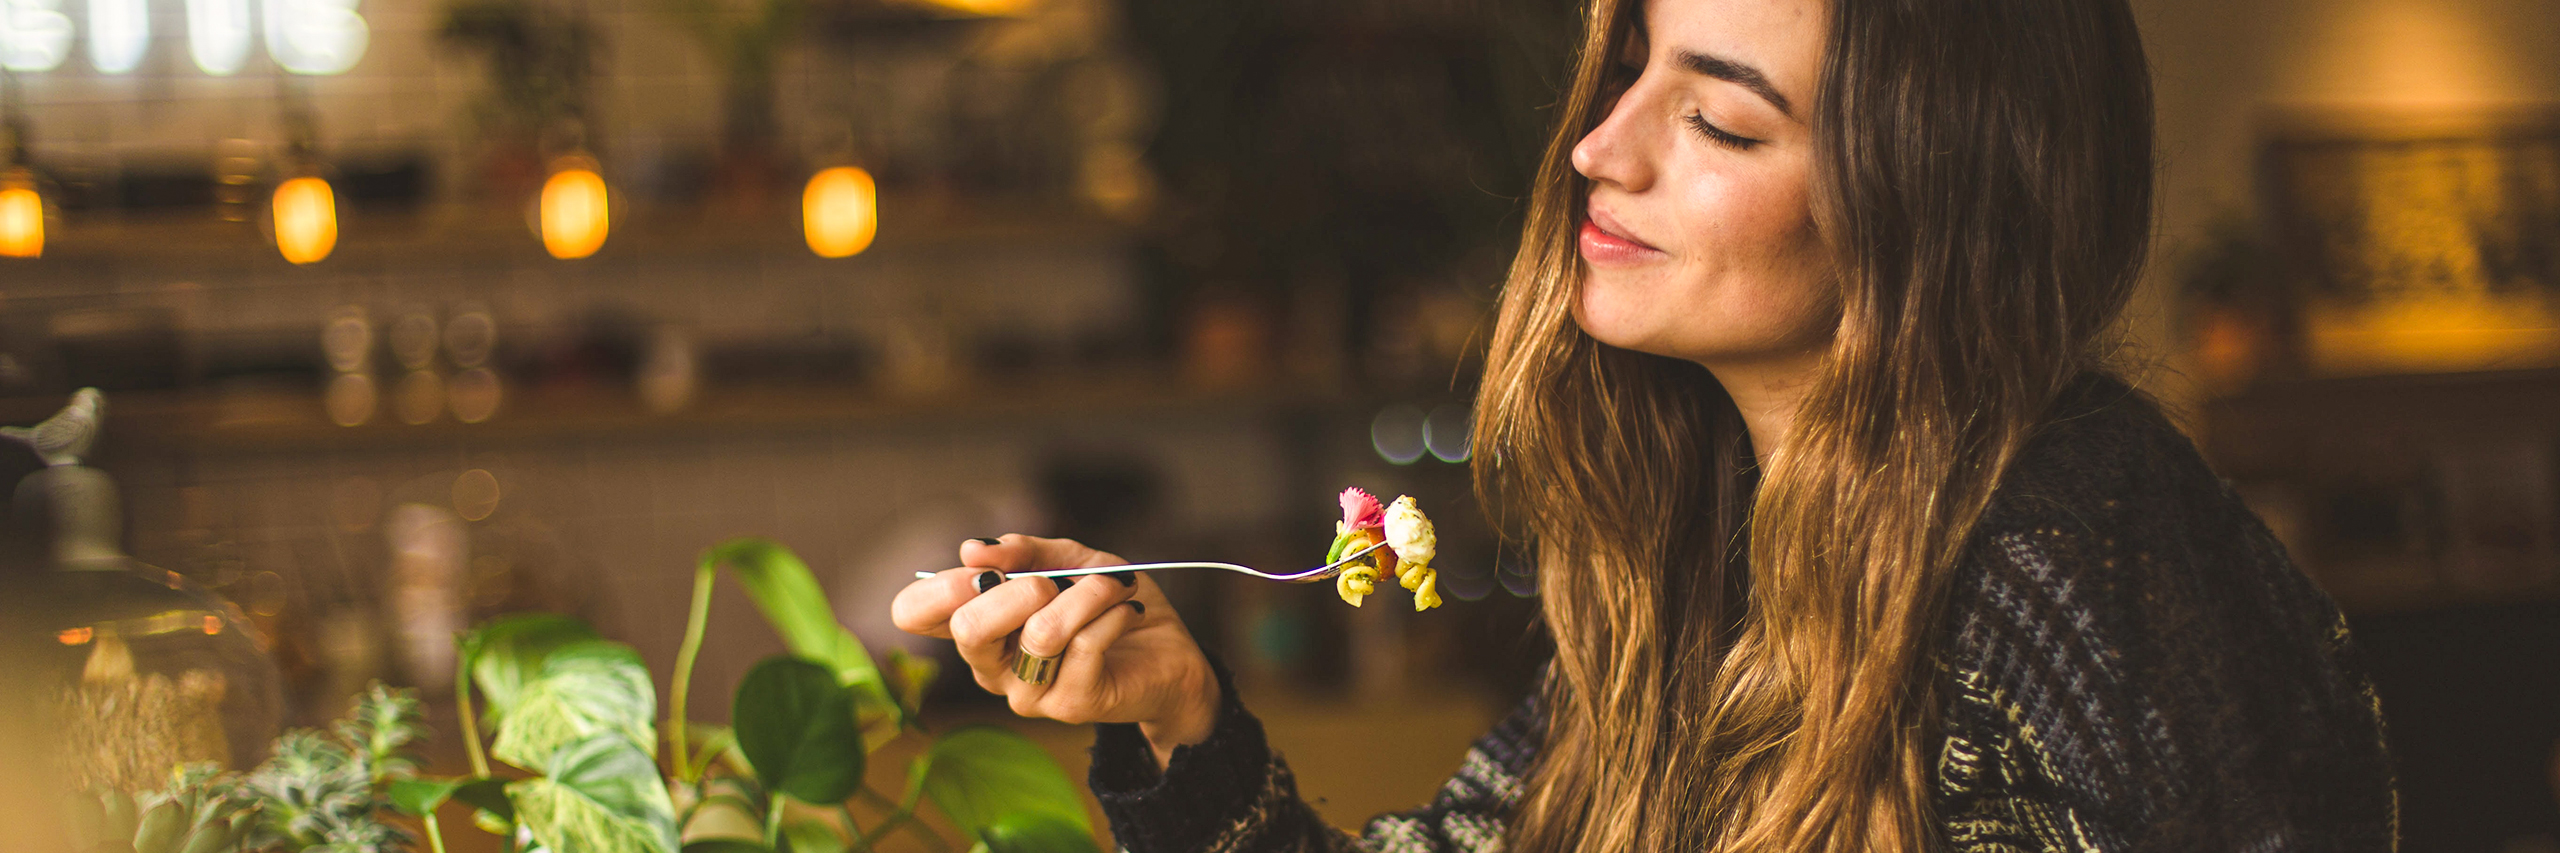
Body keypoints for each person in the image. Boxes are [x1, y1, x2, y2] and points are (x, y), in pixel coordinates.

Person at [892, 0, 2401, 847]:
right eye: (1628, 73)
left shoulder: (2060, 564)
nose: (1600, 150)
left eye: (1724, 120)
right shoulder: (1708, 546)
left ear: (1929, 208)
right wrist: (1181, 713)